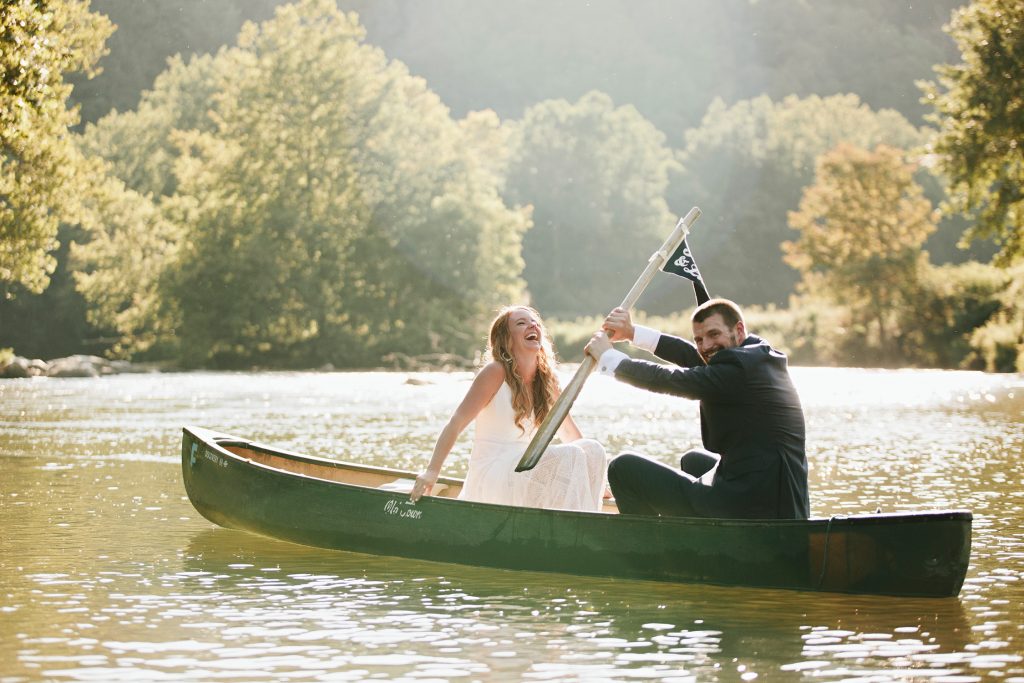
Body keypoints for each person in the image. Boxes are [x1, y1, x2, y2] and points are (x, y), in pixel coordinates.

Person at [584, 298, 808, 519]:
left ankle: (651, 549)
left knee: (623, 468)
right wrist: (632, 333)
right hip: (777, 498)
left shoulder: (736, 370)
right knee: (693, 461)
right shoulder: (756, 356)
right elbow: (693, 356)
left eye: (714, 334)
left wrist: (608, 357)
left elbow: (669, 379)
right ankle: (698, 540)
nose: (706, 346)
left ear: (738, 330)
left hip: (754, 507)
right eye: (699, 339)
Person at [410, 305, 607, 511]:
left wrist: (596, 476)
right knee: (570, 456)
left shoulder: (548, 380)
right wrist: (431, 472)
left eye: (535, 323)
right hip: (493, 472)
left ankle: (584, 522)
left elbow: (567, 430)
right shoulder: (495, 372)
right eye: (521, 323)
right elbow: (456, 423)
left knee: (593, 450)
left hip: (524, 468)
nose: (532, 325)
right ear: (507, 339)